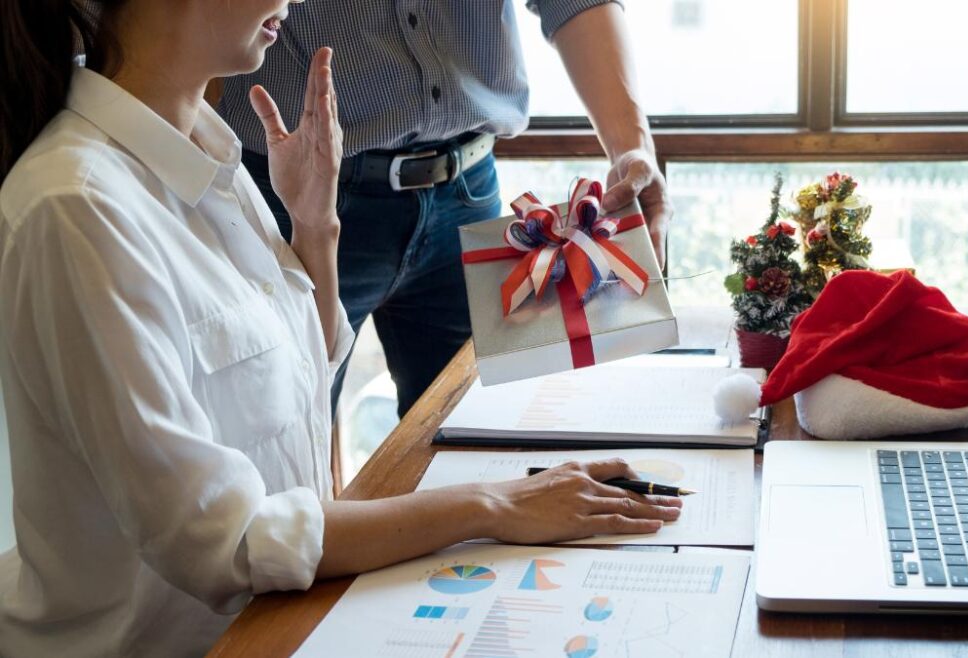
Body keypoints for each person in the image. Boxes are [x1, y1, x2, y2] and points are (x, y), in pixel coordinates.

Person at [0, 1, 682, 656]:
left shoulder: (207, 154)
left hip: (280, 618)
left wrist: (314, 225)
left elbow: (298, 381)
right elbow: (223, 539)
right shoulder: (76, 206)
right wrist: (494, 506)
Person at [218, 1, 673, 418]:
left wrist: (631, 147)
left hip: (466, 193)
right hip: (297, 193)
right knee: (285, 425)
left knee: (480, 432)